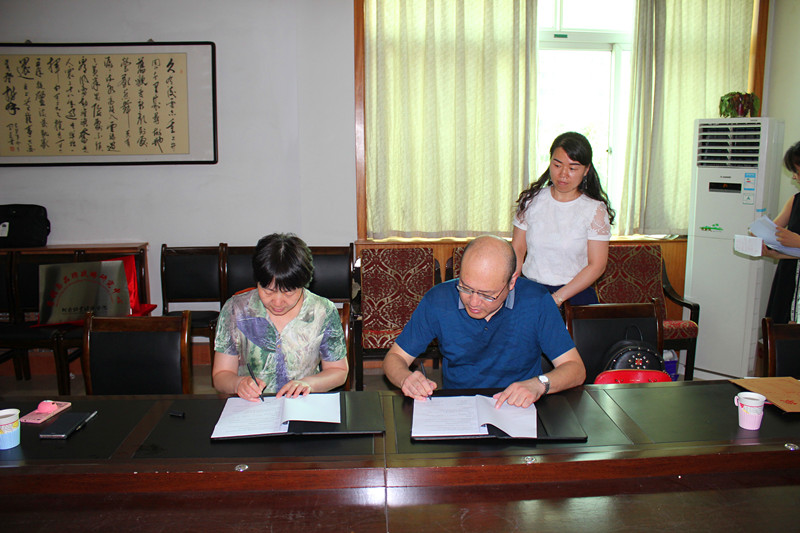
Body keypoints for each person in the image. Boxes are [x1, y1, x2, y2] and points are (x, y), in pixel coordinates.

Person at [382, 235, 585, 408]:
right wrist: (405, 378)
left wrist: (539, 384)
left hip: (519, 406)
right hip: (459, 404)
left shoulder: (537, 301)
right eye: (466, 288)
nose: (474, 302)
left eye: (487, 295)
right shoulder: (439, 300)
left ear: (512, 282)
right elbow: (395, 358)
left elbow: (575, 369)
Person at [212, 233, 348, 401]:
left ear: (303, 283)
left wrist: (309, 384)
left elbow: (338, 371)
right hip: (252, 406)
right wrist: (238, 383)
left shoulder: (323, 311)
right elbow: (221, 374)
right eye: (268, 291)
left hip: (303, 404)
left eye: (288, 292)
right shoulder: (236, 310)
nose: (277, 302)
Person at [511, 132, 615, 308]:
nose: (563, 174)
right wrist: (509, 285)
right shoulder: (531, 201)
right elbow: (518, 250)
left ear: (586, 170)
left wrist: (557, 298)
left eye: (573, 168)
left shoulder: (594, 210)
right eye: (557, 165)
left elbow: (597, 265)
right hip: (531, 292)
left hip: (575, 296)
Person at [764, 141, 800, 323]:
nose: (794, 177)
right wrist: (775, 251)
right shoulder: (796, 200)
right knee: (783, 332)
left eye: (797, 171)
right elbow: (775, 230)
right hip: (791, 278)